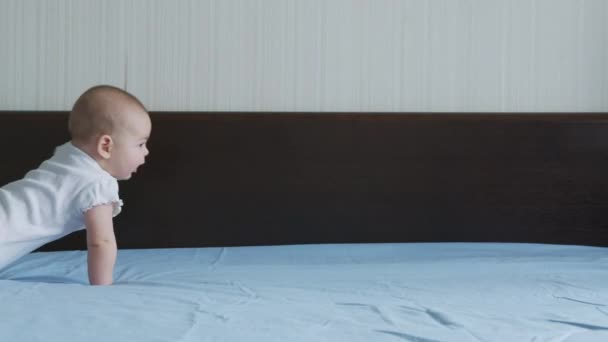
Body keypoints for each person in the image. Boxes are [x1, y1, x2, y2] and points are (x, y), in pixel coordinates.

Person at [0, 85, 151, 285]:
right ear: (106, 146)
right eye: (140, 144)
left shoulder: (66, 155)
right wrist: (103, 286)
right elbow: (101, 243)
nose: (146, 152)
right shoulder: (98, 184)